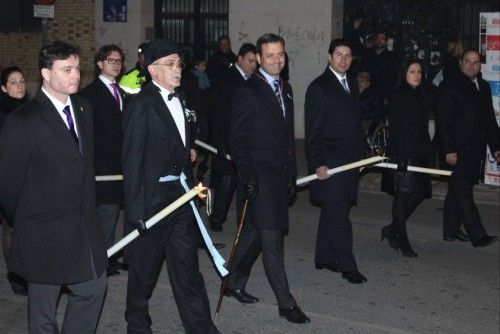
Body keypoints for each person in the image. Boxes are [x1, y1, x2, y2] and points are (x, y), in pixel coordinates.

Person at [0, 40, 107, 333]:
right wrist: (27, 218)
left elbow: (85, 165)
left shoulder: (83, 108)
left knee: (93, 289)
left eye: (77, 68)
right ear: (46, 74)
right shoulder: (23, 121)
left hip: (83, 226)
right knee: (44, 311)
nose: (76, 75)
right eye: (67, 69)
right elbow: (8, 186)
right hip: (43, 231)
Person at [122, 39, 219, 333]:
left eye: (179, 64)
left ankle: (200, 326)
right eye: (171, 65)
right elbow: (132, 160)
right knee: (145, 269)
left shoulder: (183, 98)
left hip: (181, 196)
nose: (178, 70)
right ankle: (137, 320)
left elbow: (181, 140)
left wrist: (187, 151)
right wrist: (136, 211)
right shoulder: (140, 104)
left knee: (187, 267)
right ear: (153, 70)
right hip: (153, 199)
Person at [225, 33, 309, 324]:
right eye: (270, 55)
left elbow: (287, 137)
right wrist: (247, 176)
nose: (276, 60)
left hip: (279, 175)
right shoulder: (248, 91)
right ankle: (286, 304)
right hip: (258, 176)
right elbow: (236, 141)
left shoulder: (285, 89)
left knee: (256, 233)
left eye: (281, 55)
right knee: (273, 240)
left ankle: (232, 279)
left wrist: (293, 173)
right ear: (258, 58)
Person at [305, 38, 367, 284]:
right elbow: (313, 131)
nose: (344, 59)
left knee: (333, 209)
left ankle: (323, 257)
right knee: (340, 213)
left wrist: (362, 154)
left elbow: (356, 122)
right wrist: (317, 163)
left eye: (348, 55)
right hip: (330, 162)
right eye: (339, 55)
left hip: (349, 160)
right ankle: (347, 265)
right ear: (329, 57)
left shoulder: (351, 82)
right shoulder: (318, 87)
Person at [436, 49, 500, 248]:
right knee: (463, 192)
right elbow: (442, 121)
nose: (472, 65)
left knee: (457, 191)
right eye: (468, 62)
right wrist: (448, 149)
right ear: (461, 63)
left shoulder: (484, 86)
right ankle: (478, 235)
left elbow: (489, 119)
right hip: (455, 151)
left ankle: (451, 230)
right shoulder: (450, 85)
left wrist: (496, 146)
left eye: (476, 62)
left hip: (474, 151)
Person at [80, 44, 127, 276]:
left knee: (112, 212)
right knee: (105, 212)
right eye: (111, 60)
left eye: (119, 60)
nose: (116, 64)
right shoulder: (89, 94)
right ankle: (101, 258)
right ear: (100, 63)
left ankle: (109, 253)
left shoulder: (123, 92)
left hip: (119, 164)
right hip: (101, 165)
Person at [380, 59, 433, 258]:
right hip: (402, 151)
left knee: (420, 192)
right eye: (412, 71)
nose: (417, 75)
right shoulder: (398, 95)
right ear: (404, 73)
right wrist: (401, 157)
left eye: (419, 71)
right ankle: (401, 239)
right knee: (402, 196)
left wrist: (428, 151)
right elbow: (397, 128)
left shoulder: (422, 94)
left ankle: (392, 229)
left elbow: (422, 128)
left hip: (419, 152)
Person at [208, 43, 257, 232]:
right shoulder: (226, 79)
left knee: (243, 178)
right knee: (227, 180)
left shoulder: (253, 80)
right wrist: (219, 141)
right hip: (226, 139)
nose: (253, 65)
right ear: (240, 59)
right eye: (250, 61)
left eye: (255, 62)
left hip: (245, 140)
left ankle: (244, 220)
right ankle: (217, 217)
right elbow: (217, 112)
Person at [0, 66, 30, 296]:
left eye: (21, 80)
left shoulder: (31, 109)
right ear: (3, 87)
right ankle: (16, 275)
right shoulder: (3, 113)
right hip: (8, 177)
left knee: (28, 228)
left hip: (31, 177)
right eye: (13, 82)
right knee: (11, 227)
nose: (19, 85)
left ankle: (28, 270)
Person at [181, 58, 211, 182]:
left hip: (203, 110)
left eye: (205, 65)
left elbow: (207, 93)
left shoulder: (205, 78)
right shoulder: (191, 79)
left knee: (205, 132)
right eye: (202, 65)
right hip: (194, 109)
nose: (204, 67)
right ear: (196, 66)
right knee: (194, 130)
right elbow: (189, 94)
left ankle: (201, 151)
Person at [359, 31, 398, 102]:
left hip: (382, 95)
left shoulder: (391, 57)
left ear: (386, 42)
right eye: (377, 38)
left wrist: (387, 96)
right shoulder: (368, 54)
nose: (379, 41)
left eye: (382, 38)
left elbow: (393, 78)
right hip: (366, 94)